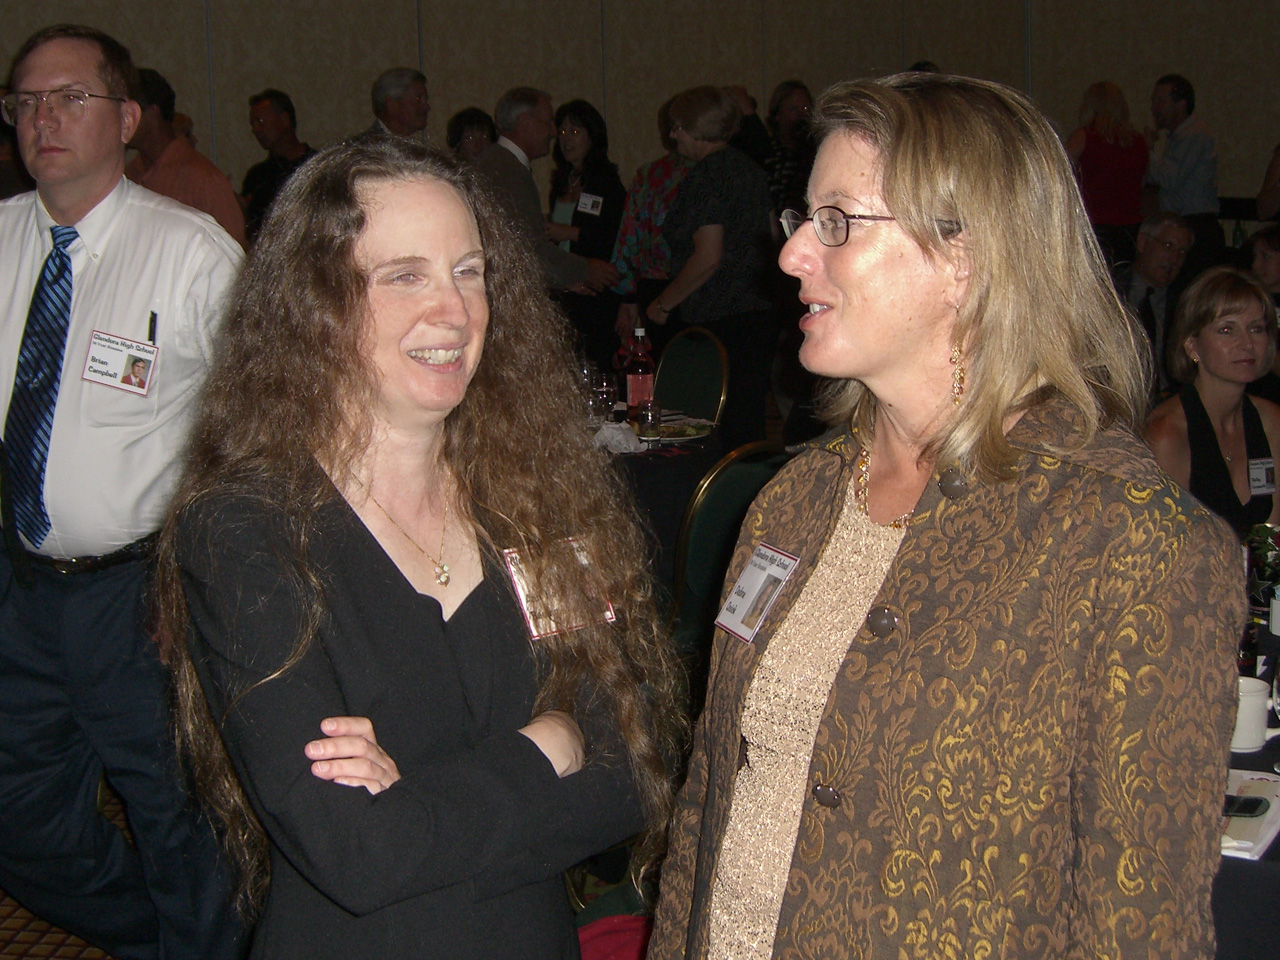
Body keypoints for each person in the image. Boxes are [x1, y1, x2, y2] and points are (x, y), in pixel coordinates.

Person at [649, 73, 1242, 960]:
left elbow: (1140, 926)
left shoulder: (1132, 544)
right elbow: (709, 799)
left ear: (966, 256)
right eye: (803, 218)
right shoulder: (795, 501)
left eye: (837, 221)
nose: (792, 253)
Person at [155, 138, 681, 959]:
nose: (454, 310)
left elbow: (635, 769)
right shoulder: (246, 529)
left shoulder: (532, 501)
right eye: (405, 275)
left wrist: (417, 805)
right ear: (314, 306)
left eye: (469, 272)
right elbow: (357, 854)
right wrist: (550, 742)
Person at [0, 24, 243, 960]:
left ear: (128, 119)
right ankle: (153, 937)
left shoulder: (188, 252)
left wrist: (205, 582)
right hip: (21, 588)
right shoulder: (2, 241)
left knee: (181, 822)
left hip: (140, 594)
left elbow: (258, 433)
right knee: (21, 822)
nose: (44, 118)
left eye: (70, 98)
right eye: (26, 101)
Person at [649, 85, 777, 447]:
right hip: (758, 313)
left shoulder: (706, 176)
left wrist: (663, 304)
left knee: (712, 429)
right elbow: (771, 235)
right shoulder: (750, 169)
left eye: (677, 128)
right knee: (747, 423)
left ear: (696, 129)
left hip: (720, 320)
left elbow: (708, 256)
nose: (673, 136)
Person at [1146, 266, 1280, 537]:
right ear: (1192, 345)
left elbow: (1272, 537)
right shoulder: (1167, 435)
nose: (1247, 343)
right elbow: (1164, 544)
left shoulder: (1271, 421)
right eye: (1227, 329)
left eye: (1256, 328)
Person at [473, 87, 617, 294]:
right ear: (525, 122)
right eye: (548, 122)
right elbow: (530, 251)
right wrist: (586, 270)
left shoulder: (497, 162)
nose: (553, 132)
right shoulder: (509, 172)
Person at [545, 99, 626, 371]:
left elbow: (611, 237)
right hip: (566, 286)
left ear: (593, 136)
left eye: (575, 131)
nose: (566, 139)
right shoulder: (562, 181)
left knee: (595, 365)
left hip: (595, 290)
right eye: (562, 131)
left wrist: (566, 232)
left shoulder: (606, 183)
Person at [125, 67, 246, 246]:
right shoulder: (126, 176)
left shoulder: (204, 180)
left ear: (153, 112)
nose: (121, 122)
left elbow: (233, 255)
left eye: (128, 113)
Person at [612, 97, 692, 359]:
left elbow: (629, 238)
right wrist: (627, 296)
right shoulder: (653, 174)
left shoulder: (651, 174)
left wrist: (627, 295)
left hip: (661, 286)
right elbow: (630, 234)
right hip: (686, 285)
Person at [1145, 73, 1223, 275]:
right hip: (1185, 223)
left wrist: (1149, 150)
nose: (1154, 108)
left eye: (1160, 101)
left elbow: (1169, 179)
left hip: (1196, 226)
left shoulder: (1194, 135)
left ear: (1180, 104)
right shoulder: (1179, 137)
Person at [1064, 81, 1147, 266]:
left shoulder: (1084, 137)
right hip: (1130, 228)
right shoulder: (1138, 141)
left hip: (1095, 226)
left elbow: (1061, 175)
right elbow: (1141, 184)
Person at [1111, 211, 1194, 395]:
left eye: (1182, 252)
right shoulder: (1110, 290)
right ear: (1142, 242)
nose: (1174, 259)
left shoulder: (1186, 301)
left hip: (1170, 396)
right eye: (1168, 246)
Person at [241, 88, 315, 243]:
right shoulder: (257, 177)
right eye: (253, 124)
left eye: (261, 122)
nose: (255, 130)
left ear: (284, 119)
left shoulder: (317, 167)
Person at [353, 67, 429, 141]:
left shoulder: (412, 146)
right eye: (418, 99)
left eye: (426, 99)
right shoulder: (365, 146)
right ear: (391, 104)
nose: (427, 107)